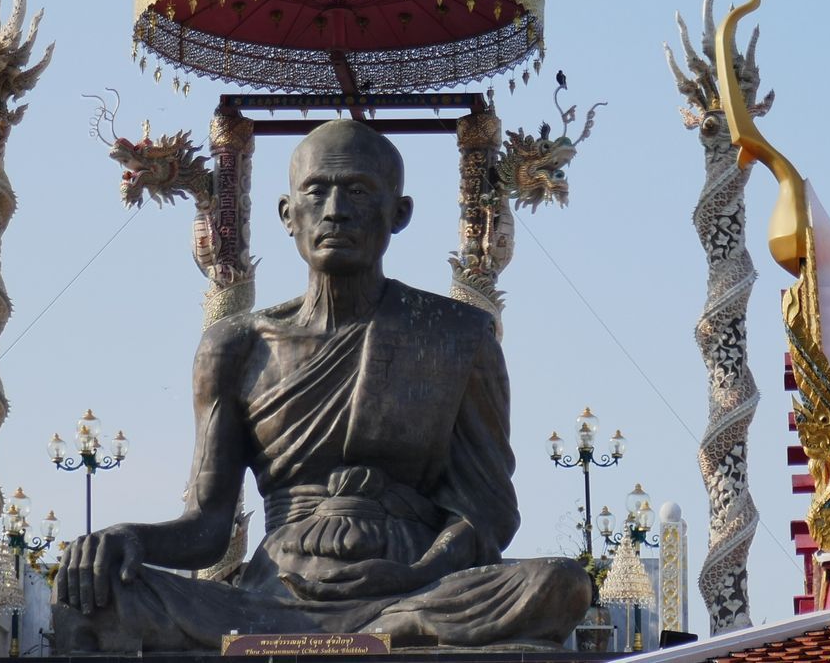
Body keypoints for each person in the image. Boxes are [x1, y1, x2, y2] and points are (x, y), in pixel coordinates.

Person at [53, 119, 591, 651]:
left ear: (399, 213)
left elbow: (486, 511)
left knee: (559, 583)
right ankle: (367, 638)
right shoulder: (234, 346)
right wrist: (126, 538)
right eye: (317, 192)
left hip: (418, 585)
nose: (336, 210)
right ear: (288, 215)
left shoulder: (457, 334)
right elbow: (207, 526)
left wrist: (414, 574)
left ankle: (383, 626)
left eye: (358, 191)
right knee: (93, 596)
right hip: (273, 597)